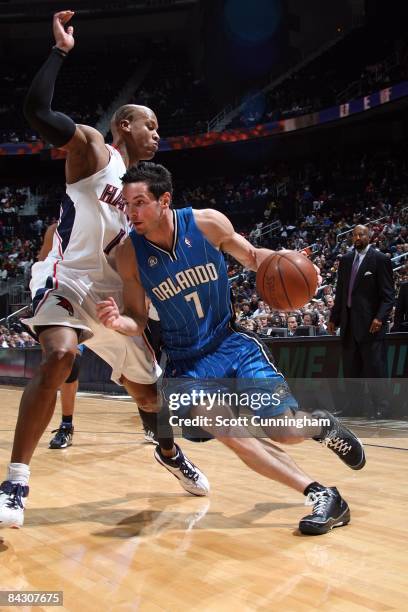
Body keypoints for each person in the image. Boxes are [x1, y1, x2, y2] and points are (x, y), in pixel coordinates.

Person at [0, 11, 208, 531]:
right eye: (150, 125)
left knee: (150, 395)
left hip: (115, 298)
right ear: (124, 125)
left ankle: (167, 452)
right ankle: (15, 482)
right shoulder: (94, 149)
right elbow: (36, 109)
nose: (157, 134)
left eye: (159, 128)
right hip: (69, 278)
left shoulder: (149, 199)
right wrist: (59, 52)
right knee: (59, 355)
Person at [97, 162, 366, 536]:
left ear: (164, 200)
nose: (132, 212)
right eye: (127, 204)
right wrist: (116, 323)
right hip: (187, 364)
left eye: (140, 202)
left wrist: (301, 268)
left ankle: (321, 425)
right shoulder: (130, 254)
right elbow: (137, 319)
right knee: (232, 432)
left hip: (232, 345)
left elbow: (256, 258)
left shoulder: (207, 224)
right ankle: (322, 495)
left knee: (283, 430)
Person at [328, 225, 394, 417]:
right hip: (348, 324)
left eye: (361, 234)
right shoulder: (346, 260)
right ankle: (354, 407)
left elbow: (389, 296)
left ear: (369, 236)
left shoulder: (380, 259)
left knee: (374, 369)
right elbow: (341, 292)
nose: (357, 237)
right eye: (354, 235)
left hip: (371, 325)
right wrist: (334, 317)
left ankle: (381, 407)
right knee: (351, 369)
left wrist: (380, 318)